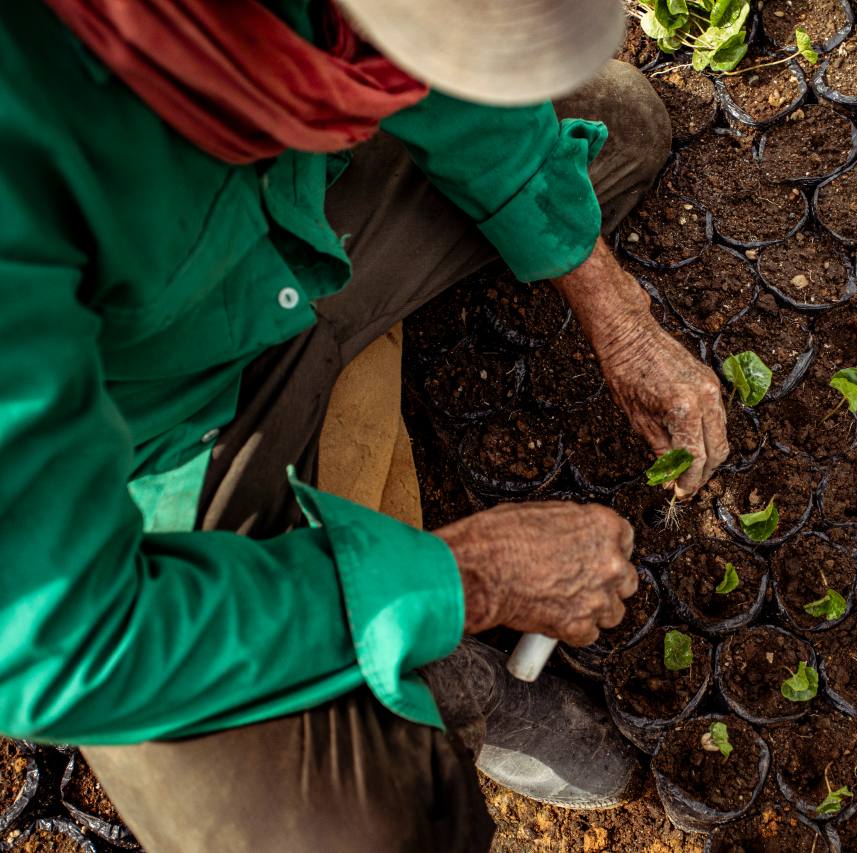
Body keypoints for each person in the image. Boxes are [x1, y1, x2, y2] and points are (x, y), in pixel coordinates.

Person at [0, 0, 729, 850]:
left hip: (290, 240)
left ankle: (347, 361)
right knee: (359, 831)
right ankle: (449, 688)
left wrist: (620, 315)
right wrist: (469, 578)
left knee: (620, 126)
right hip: (159, 446)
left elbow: (428, 70)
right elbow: (50, 643)